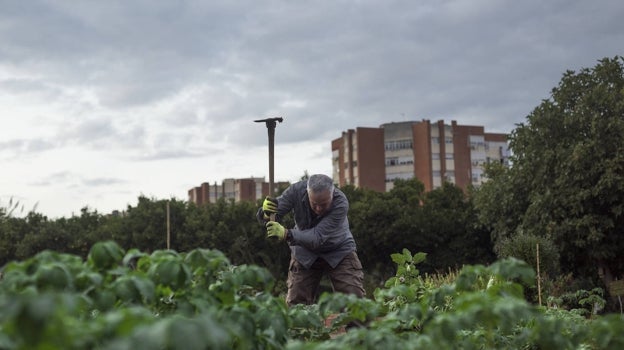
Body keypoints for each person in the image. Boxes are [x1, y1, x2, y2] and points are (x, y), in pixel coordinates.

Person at [257, 174, 365, 306]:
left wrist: (286, 233)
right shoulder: (296, 191)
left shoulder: (341, 203)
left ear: (332, 195)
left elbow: (317, 237)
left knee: (354, 302)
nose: (319, 209)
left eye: (323, 204)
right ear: (307, 194)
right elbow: (275, 211)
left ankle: (357, 326)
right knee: (296, 306)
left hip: (339, 251)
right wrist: (266, 213)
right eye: (314, 204)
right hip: (305, 252)